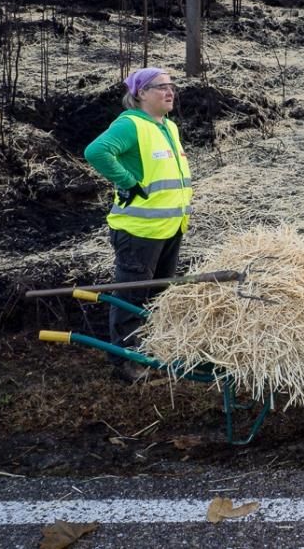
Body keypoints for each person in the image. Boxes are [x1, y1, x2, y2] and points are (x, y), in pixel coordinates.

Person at [84, 68, 193, 381]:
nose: (169, 92)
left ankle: (152, 352)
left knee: (159, 296)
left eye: (171, 86)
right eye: (160, 87)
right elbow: (96, 152)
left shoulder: (168, 127)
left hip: (170, 228)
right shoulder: (130, 124)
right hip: (138, 232)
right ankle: (126, 361)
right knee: (131, 297)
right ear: (141, 94)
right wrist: (126, 182)